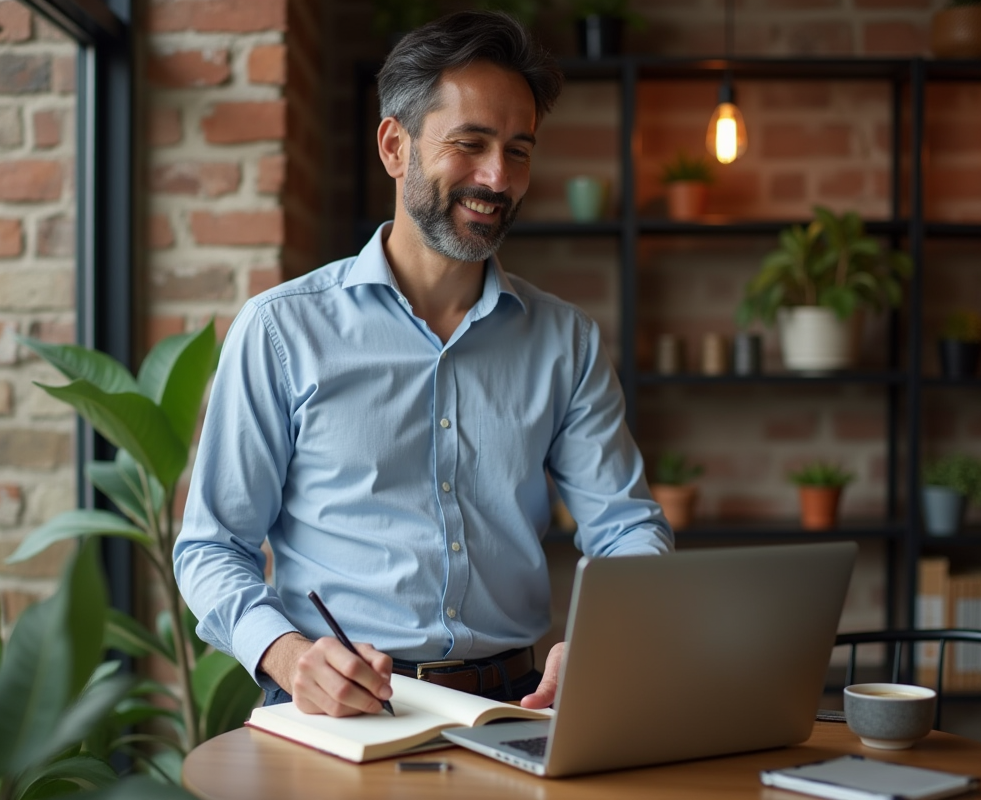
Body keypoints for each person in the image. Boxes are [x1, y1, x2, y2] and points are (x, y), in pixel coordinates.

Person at [173, 10, 672, 719]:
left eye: (519, 150)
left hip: (515, 707)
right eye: (470, 143)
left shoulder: (567, 342)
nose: (497, 177)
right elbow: (211, 547)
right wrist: (290, 658)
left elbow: (626, 527)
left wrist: (604, 635)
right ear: (394, 146)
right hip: (334, 709)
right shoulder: (281, 329)